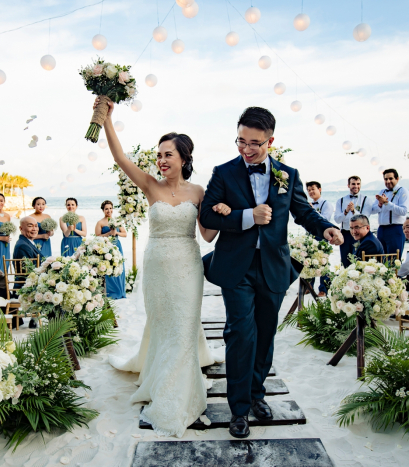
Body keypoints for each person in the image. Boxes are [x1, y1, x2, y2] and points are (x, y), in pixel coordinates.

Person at [200, 107, 342, 439]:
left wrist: (327, 229)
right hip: (237, 268)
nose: (246, 149)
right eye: (241, 141)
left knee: (265, 335)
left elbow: (303, 211)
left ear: (270, 141)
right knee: (240, 334)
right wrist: (247, 215)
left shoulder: (287, 174)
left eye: (254, 143)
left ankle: (256, 395)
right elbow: (207, 215)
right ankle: (237, 408)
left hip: (274, 267)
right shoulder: (223, 173)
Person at [98, 96, 231, 438]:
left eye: (167, 154)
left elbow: (208, 235)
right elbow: (119, 157)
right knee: (163, 324)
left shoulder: (199, 191)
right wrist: (107, 119)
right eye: (158, 155)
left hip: (188, 267)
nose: (160, 160)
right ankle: (162, 379)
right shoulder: (149, 185)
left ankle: (182, 392)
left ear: (184, 158)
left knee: (184, 327)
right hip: (156, 267)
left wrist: (221, 214)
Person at [334, 176, 373, 267]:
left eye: (358, 184)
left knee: (359, 262)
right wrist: (346, 211)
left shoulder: (366, 200)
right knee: (345, 261)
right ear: (348, 185)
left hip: (360, 235)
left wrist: (354, 211)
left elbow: (365, 219)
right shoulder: (341, 201)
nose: (356, 186)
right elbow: (337, 219)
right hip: (345, 234)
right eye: (353, 184)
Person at [371, 169, 409, 257]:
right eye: (386, 179)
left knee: (393, 259)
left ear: (397, 179)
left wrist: (387, 203)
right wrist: (380, 204)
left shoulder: (403, 191)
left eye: (390, 178)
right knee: (380, 258)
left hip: (396, 229)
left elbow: (403, 211)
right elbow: (373, 210)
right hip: (381, 229)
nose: (388, 181)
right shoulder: (382, 192)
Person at [95, 201, 128, 300]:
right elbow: (97, 236)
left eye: (110, 208)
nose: (109, 210)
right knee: (108, 268)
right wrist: (109, 233)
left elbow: (125, 234)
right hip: (106, 247)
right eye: (106, 209)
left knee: (119, 267)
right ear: (103, 210)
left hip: (117, 246)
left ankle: (120, 291)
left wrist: (116, 233)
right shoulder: (100, 223)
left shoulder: (117, 220)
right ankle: (111, 292)